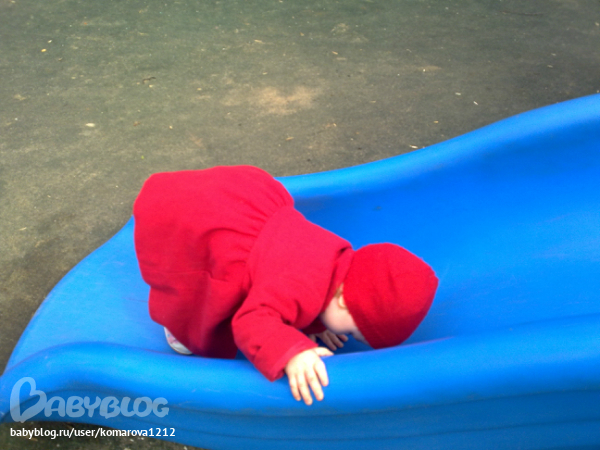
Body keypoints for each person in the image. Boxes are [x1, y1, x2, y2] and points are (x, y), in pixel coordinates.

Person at [133, 165, 438, 405]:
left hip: (237, 201)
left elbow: (311, 290)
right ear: (345, 301)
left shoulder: (334, 255)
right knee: (198, 277)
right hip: (199, 224)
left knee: (254, 274)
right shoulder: (297, 284)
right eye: (354, 331)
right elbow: (252, 322)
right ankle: (178, 323)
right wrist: (292, 352)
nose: (349, 336)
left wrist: (318, 323)